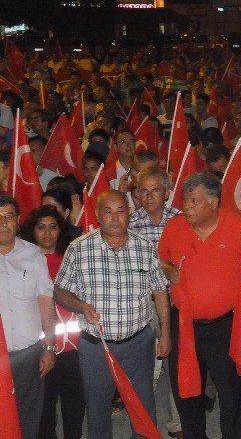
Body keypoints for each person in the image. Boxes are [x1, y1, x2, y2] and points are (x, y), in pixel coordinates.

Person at [158, 172, 241, 439]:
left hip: (224, 326)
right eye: (185, 201)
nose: (187, 207)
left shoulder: (238, 227)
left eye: (195, 201)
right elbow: (159, 259)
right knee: (186, 389)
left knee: (231, 392)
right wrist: (168, 269)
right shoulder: (174, 227)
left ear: (214, 202)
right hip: (183, 325)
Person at [55, 190, 171, 439]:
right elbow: (60, 292)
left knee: (143, 406)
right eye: (108, 211)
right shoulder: (79, 249)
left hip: (139, 343)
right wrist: (81, 306)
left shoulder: (145, 247)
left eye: (121, 210)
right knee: (97, 408)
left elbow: (160, 291)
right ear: (98, 215)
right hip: (96, 346)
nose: (115, 218)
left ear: (129, 213)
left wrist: (166, 334)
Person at [19, 205, 85, 439]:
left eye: (53, 227)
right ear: (32, 230)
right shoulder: (23, 262)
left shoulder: (72, 259)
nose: (47, 233)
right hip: (40, 348)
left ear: (61, 230)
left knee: (74, 407)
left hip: (73, 347)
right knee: (44, 411)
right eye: (41, 227)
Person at [127, 166, 183, 439]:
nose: (149, 197)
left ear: (166, 192)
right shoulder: (129, 223)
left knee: (176, 362)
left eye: (155, 190)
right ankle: (143, 421)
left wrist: (158, 266)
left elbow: (184, 266)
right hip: (143, 302)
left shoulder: (181, 221)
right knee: (144, 366)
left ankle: (176, 423)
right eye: (143, 191)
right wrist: (163, 265)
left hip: (176, 301)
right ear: (137, 194)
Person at [0, 195, 57, 439]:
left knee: (28, 420)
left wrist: (49, 347)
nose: (3, 223)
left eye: (8, 217)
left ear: (18, 220)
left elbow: (45, 302)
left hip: (28, 355)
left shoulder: (34, 255)